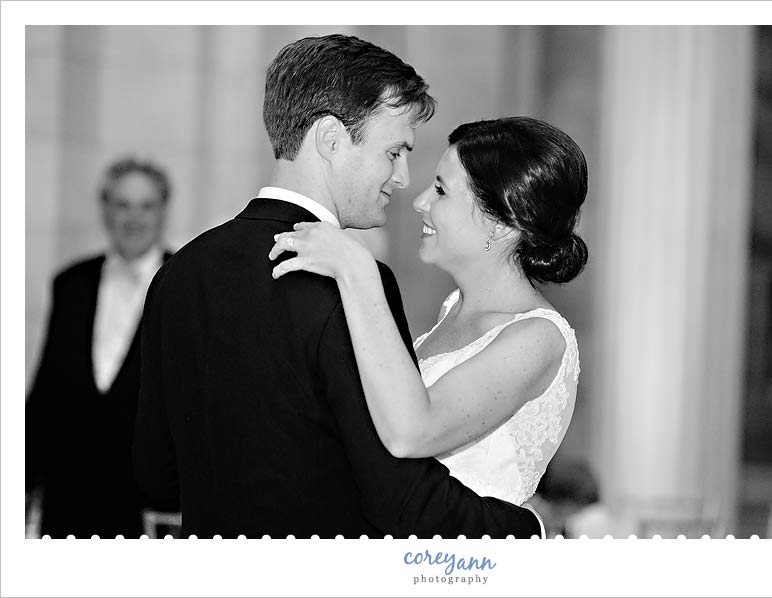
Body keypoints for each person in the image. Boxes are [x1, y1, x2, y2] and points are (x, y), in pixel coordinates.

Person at [132, 34, 543, 539]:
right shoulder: (349, 282)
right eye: (393, 151)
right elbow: (398, 497)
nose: (402, 176)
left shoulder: (178, 272)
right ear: (330, 139)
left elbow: (156, 472)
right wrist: (527, 531)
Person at [270, 116, 587, 508]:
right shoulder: (452, 310)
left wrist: (358, 272)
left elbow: (412, 433)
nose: (421, 201)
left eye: (441, 190)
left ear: (502, 225)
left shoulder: (538, 338)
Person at [26, 157, 173, 538]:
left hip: (143, 506)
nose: (133, 218)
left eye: (146, 206)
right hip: (68, 499)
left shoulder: (184, 286)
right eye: (122, 204)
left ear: (163, 211)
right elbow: (46, 392)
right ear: (105, 209)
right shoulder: (70, 282)